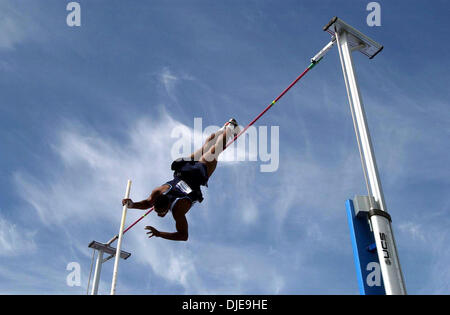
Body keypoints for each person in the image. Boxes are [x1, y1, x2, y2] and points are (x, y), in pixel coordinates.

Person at [122, 119, 240, 241]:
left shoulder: (177, 210)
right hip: (184, 169)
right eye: (157, 211)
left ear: (168, 206)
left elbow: (184, 236)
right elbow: (147, 203)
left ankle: (231, 127)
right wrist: (131, 205)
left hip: (196, 173)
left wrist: (159, 234)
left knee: (215, 150)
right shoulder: (159, 192)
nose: (157, 214)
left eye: (160, 211)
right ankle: (223, 128)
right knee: (207, 147)